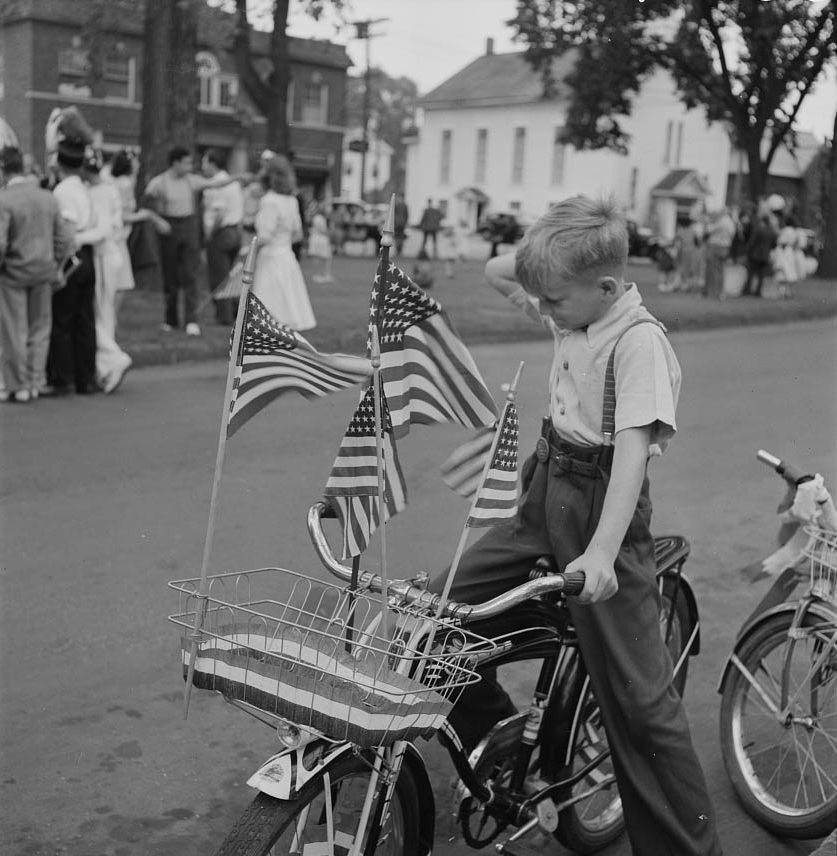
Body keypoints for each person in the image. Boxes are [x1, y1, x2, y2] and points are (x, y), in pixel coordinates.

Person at [433, 195, 722, 856]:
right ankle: (503, 750)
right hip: (543, 493)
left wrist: (598, 553)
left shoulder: (637, 341)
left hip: (602, 510)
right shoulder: (574, 301)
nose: (540, 309)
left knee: (640, 705)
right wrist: (549, 248)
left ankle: (689, 848)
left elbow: (628, 459)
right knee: (435, 618)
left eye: (552, 300)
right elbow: (499, 272)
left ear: (609, 288)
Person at [0, 146, 73, 402]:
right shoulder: (47, 197)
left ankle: (17, 383)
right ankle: (34, 380)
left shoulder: (5, 200)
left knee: (14, 329)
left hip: (14, 271)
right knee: (40, 328)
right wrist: (55, 261)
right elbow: (65, 237)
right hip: (43, 268)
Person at [142, 145, 234, 336]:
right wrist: (158, 221)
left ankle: (191, 320)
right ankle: (171, 319)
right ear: (175, 163)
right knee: (170, 276)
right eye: (186, 163)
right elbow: (146, 205)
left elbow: (215, 184)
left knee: (190, 273)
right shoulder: (159, 183)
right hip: (169, 226)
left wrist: (239, 178)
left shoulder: (191, 181)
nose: (189, 166)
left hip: (189, 226)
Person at [46, 133, 108, 396]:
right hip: (88, 256)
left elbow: (68, 233)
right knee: (84, 319)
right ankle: (87, 376)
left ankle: (65, 377)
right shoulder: (85, 189)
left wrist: (58, 268)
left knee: (63, 319)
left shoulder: (63, 192)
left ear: (59, 164)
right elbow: (96, 228)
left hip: (71, 257)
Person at [84, 152, 134, 394]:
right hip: (110, 252)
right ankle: (104, 363)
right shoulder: (109, 190)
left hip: (103, 255)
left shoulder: (98, 193)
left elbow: (103, 229)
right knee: (103, 312)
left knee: (100, 311)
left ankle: (111, 359)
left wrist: (77, 237)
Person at [250, 155, 315, 331]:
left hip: (270, 257)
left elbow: (265, 235)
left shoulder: (269, 201)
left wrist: (248, 250)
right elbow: (297, 234)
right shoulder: (291, 200)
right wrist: (283, 243)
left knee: (269, 304)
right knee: (287, 303)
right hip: (287, 256)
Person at [201, 148, 244, 326]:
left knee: (219, 277)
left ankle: (224, 316)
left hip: (221, 232)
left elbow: (218, 213)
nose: (202, 166)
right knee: (231, 276)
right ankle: (234, 312)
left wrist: (209, 234)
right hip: (235, 232)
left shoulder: (216, 185)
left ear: (213, 163)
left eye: (204, 162)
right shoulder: (233, 183)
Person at [703, 207, 736, 300]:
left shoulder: (721, 221)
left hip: (715, 246)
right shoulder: (730, 223)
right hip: (725, 247)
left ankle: (713, 292)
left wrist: (706, 222)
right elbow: (733, 235)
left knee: (713, 270)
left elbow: (709, 230)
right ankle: (720, 292)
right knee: (721, 271)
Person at [741, 213, 776, 298]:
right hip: (765, 256)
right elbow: (774, 244)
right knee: (761, 275)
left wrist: (746, 250)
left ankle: (748, 290)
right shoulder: (771, 231)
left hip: (755, 255)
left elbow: (752, 242)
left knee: (750, 273)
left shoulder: (758, 230)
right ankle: (758, 291)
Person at [307, 205, 334, 283]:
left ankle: (325, 274)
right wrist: (329, 232)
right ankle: (317, 275)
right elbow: (322, 230)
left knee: (324, 257)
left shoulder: (321, 218)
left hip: (320, 239)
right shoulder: (318, 218)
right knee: (318, 257)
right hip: (319, 239)